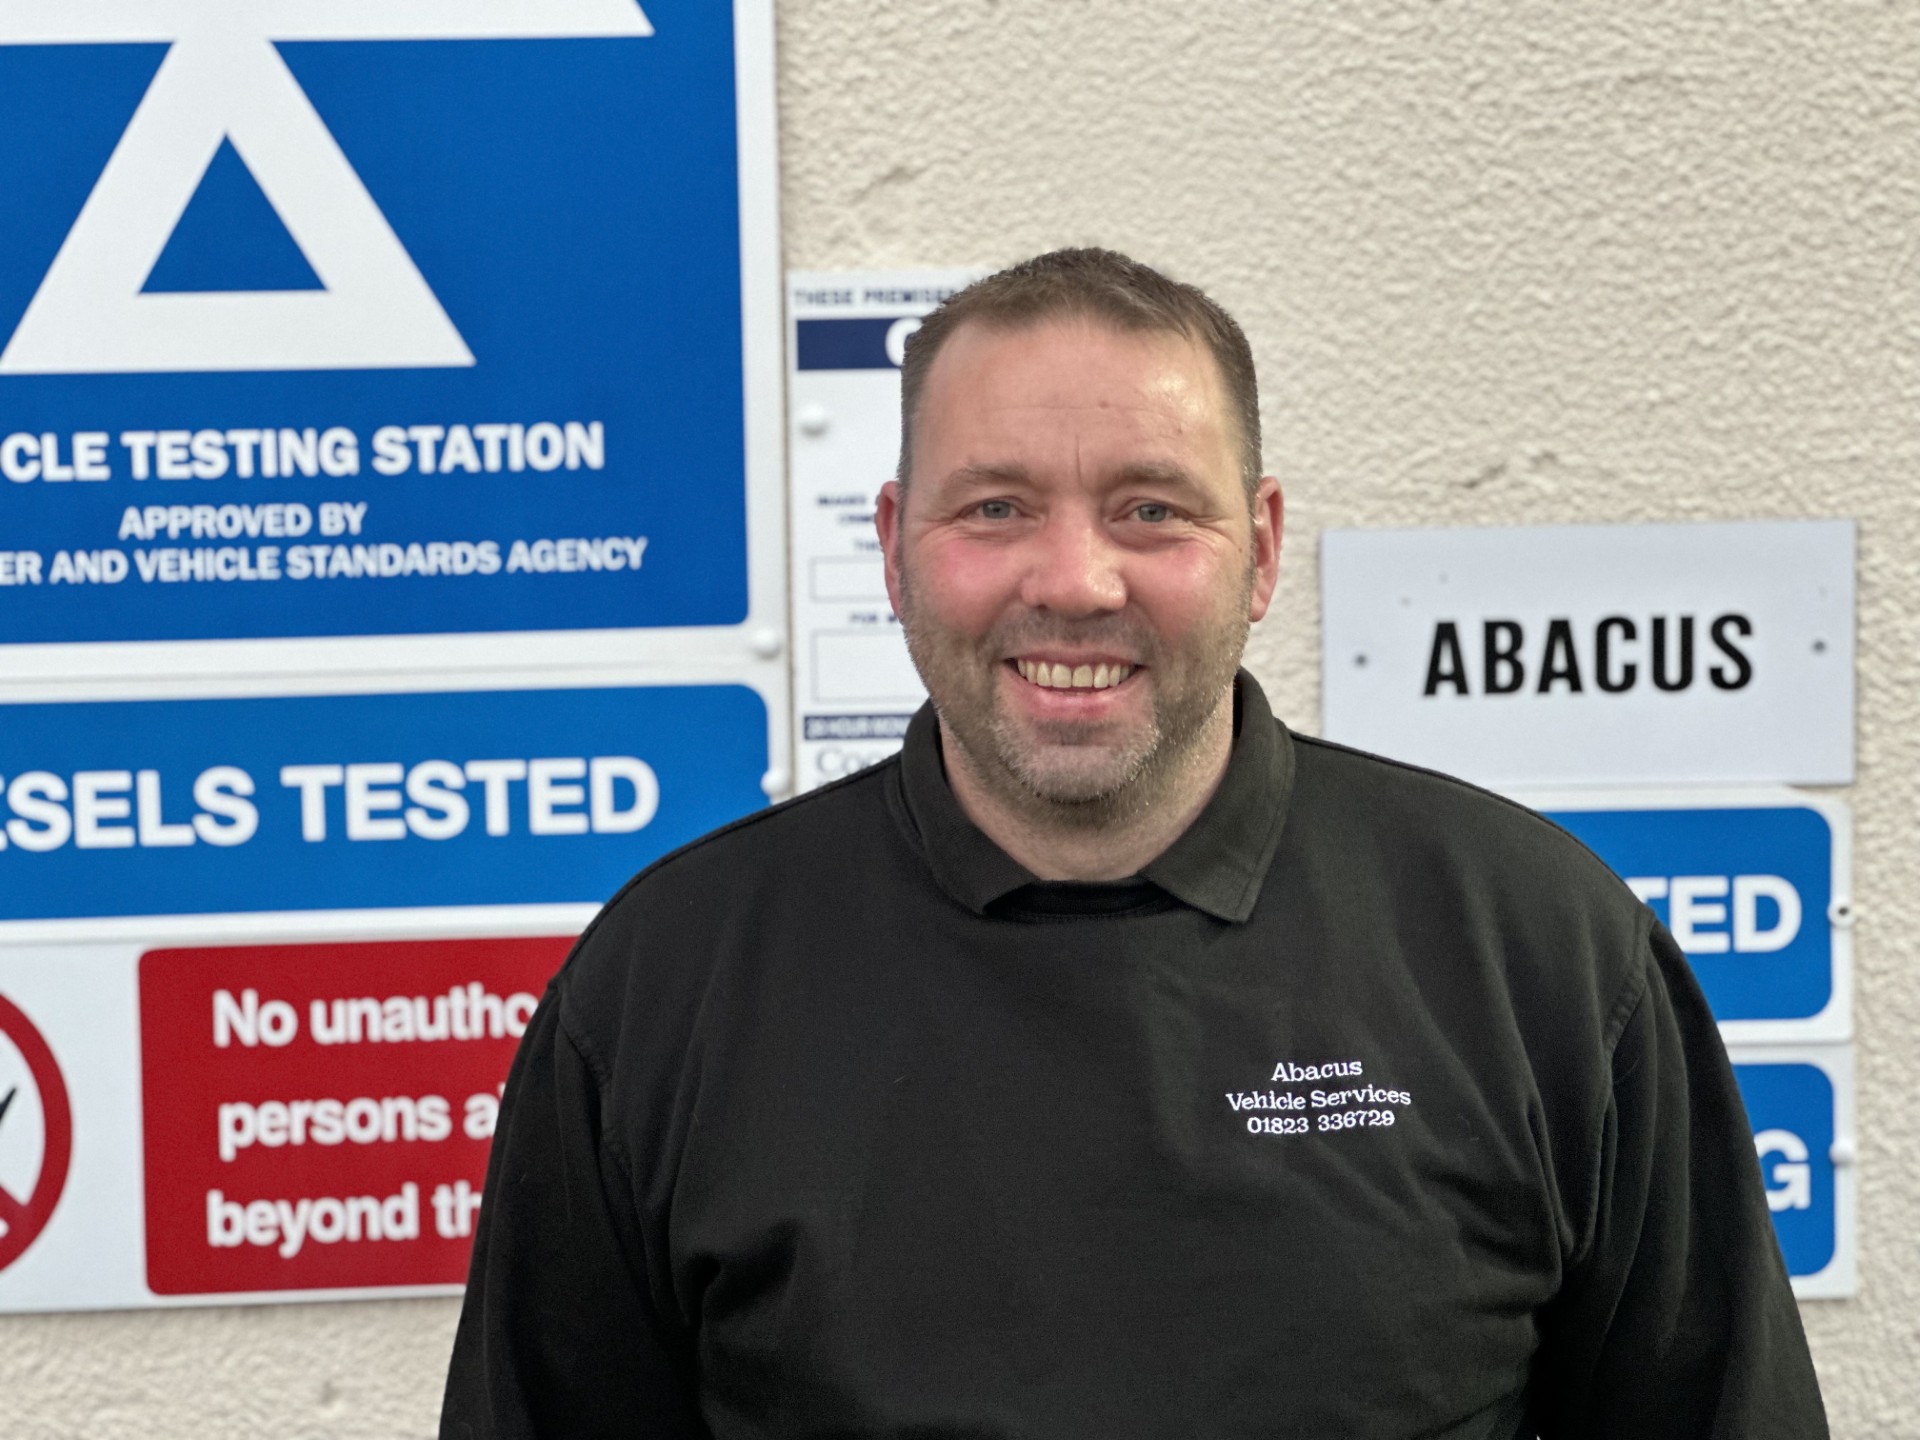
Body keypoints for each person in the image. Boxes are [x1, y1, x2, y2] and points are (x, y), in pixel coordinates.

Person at [441, 248, 1827, 1438]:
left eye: (1150, 510)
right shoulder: (667, 987)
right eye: (995, 508)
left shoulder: (1538, 952)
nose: (1075, 581)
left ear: (1261, 549)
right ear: (896, 547)